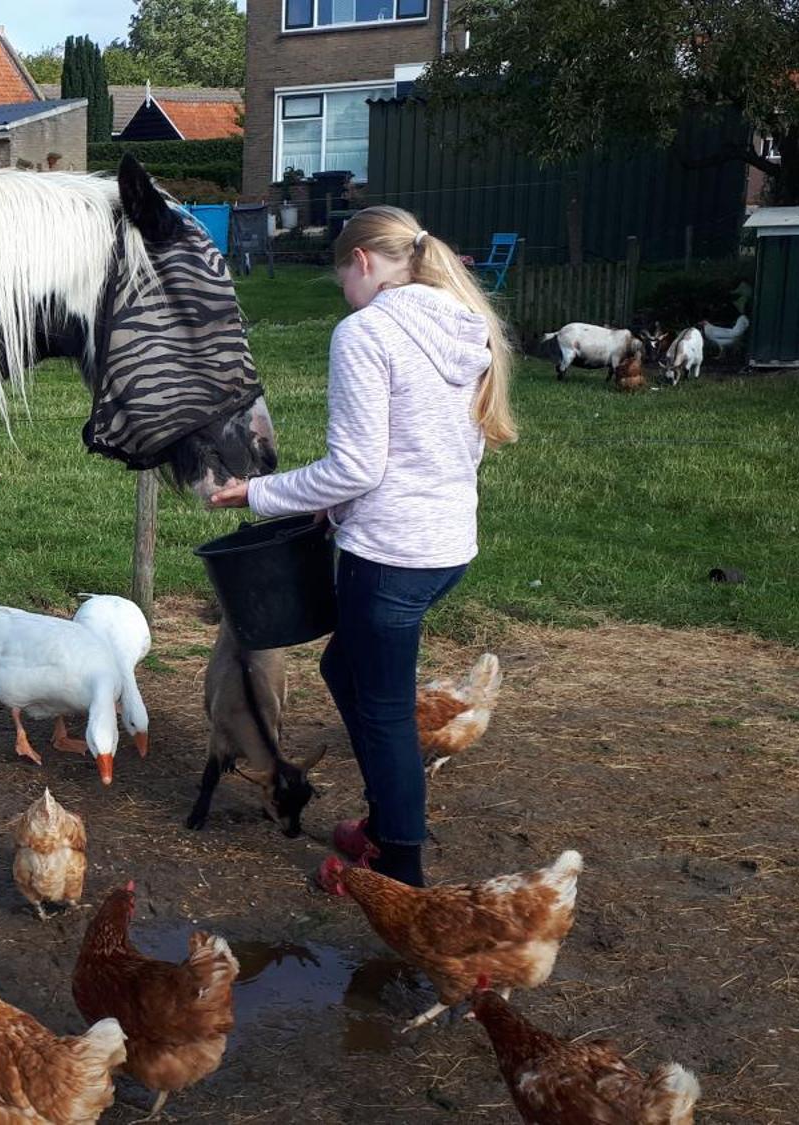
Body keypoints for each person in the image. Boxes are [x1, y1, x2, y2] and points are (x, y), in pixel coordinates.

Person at [207, 206, 516, 887]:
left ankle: (397, 864)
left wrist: (255, 494)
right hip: (446, 546)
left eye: (341, 274)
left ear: (365, 262)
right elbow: (419, 447)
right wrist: (337, 509)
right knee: (346, 669)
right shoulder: (462, 323)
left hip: (393, 556)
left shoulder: (366, 333)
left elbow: (356, 467)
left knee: (383, 712)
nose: (342, 289)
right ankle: (387, 821)